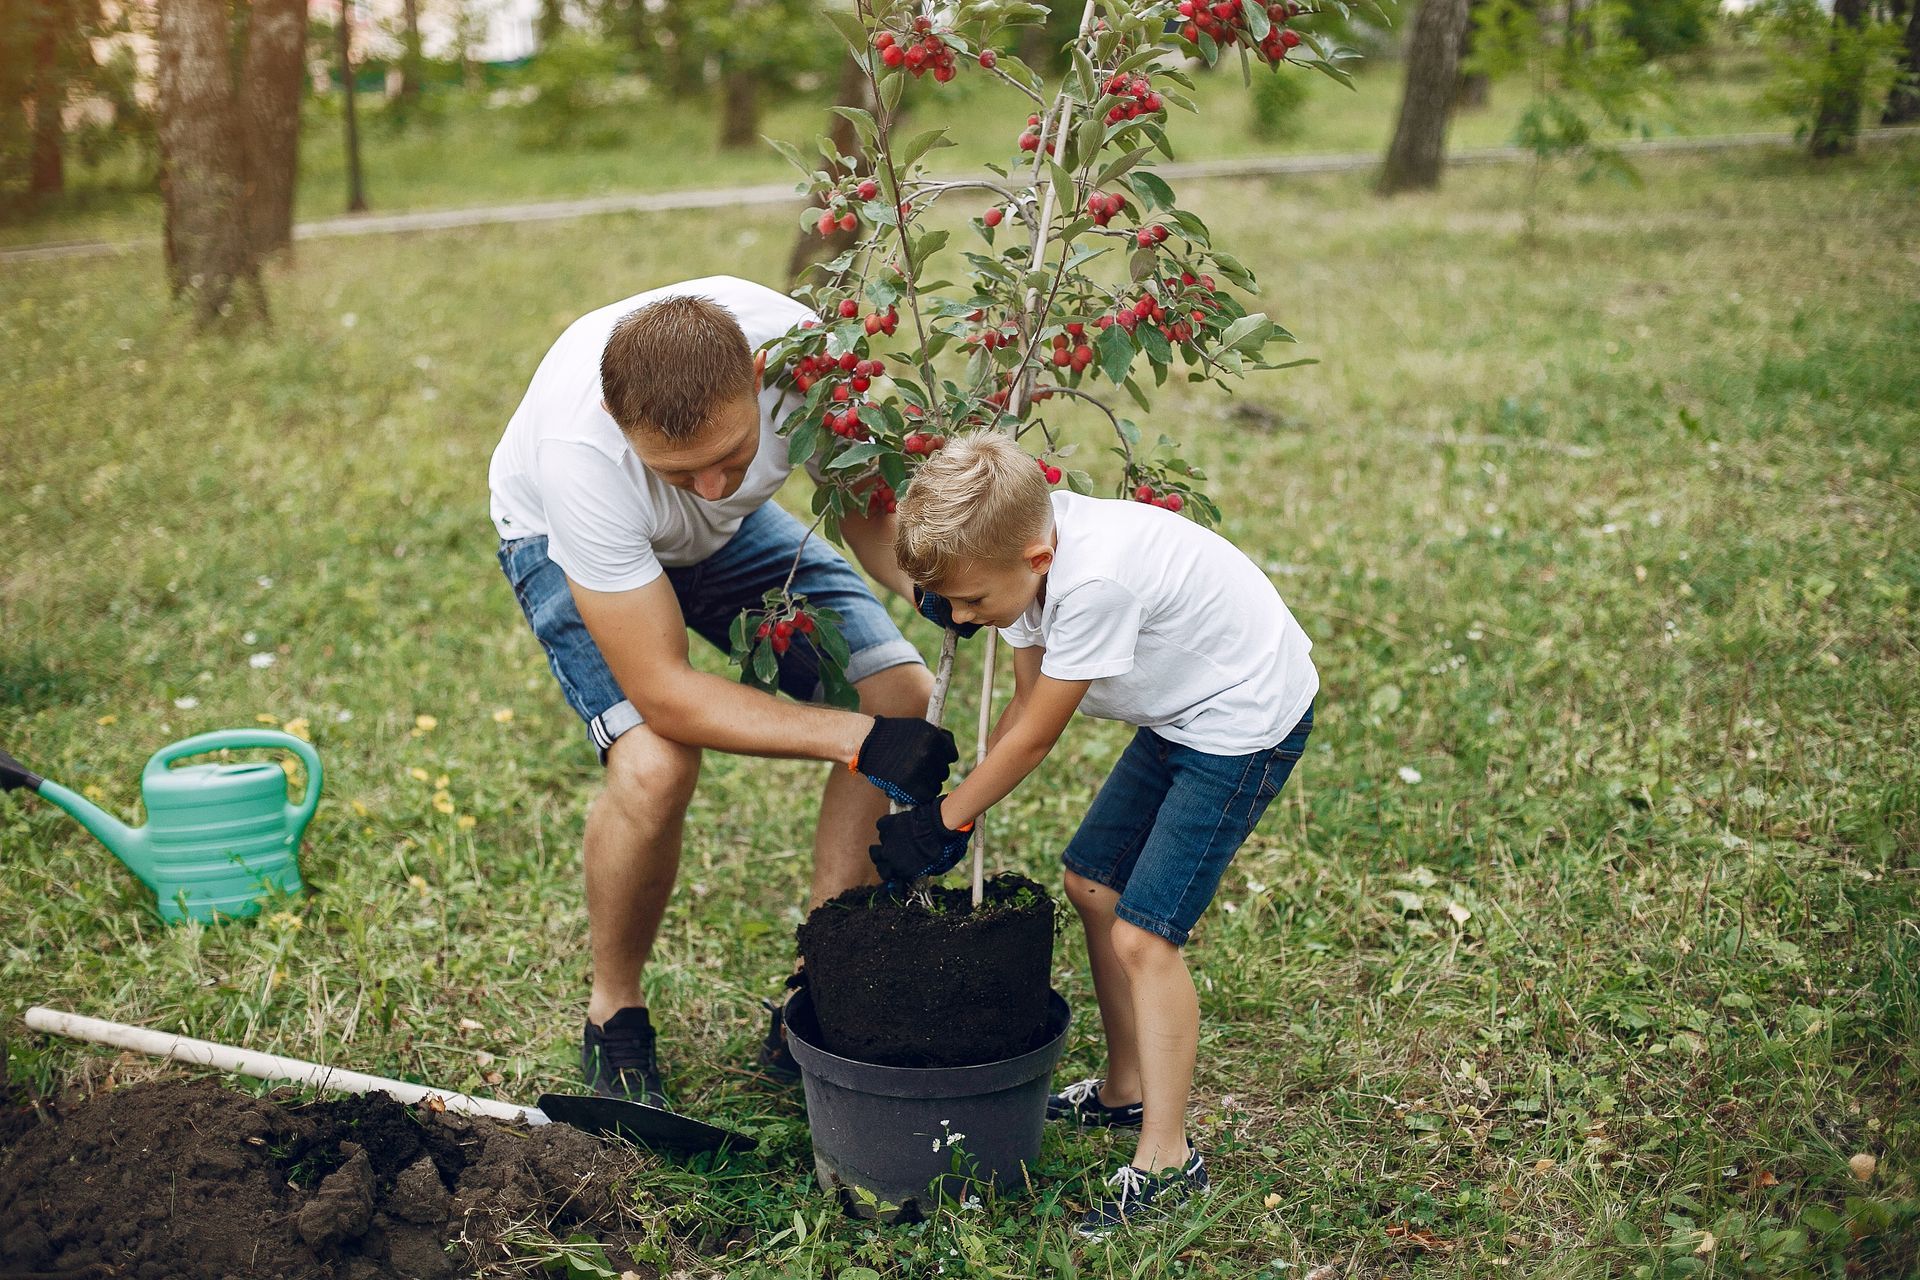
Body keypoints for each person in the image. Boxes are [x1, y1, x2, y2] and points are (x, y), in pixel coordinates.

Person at [489, 277, 957, 1109]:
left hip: (734, 545)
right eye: (679, 471)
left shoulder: (805, 358)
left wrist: (934, 590)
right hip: (576, 544)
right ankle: (614, 1013)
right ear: (617, 422)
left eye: (730, 460)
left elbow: (858, 499)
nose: (711, 489)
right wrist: (851, 740)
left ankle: (821, 981)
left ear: (756, 377)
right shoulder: (581, 463)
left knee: (900, 691)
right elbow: (666, 693)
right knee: (655, 764)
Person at [870, 431, 1317, 1235]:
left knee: (1146, 938)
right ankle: (1126, 1088)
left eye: (971, 603)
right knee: (1092, 885)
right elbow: (1022, 702)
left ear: (1037, 559)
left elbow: (1042, 732)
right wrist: (961, 798)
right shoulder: (1019, 557)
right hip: (1181, 712)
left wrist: (948, 817)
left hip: (1243, 720)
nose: (961, 618)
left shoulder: (1095, 580)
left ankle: (1169, 1160)